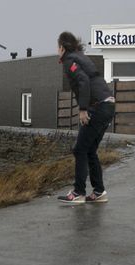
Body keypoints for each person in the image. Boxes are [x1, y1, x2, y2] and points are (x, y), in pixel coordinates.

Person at [57, 31, 116, 203]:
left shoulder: (70, 60)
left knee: (80, 149)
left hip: (97, 107)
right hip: (108, 105)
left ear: (62, 47)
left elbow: (83, 81)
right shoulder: (80, 56)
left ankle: (78, 193)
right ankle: (99, 192)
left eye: (57, 46)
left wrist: (83, 109)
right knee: (90, 150)